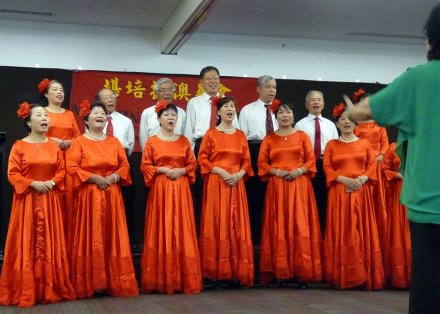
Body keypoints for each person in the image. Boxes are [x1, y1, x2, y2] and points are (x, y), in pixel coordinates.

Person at [345, 4, 440, 311]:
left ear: (430, 40)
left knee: (428, 288)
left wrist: (352, 108)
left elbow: (365, 111)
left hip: (428, 202)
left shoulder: (418, 79)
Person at [0, 103, 75, 307]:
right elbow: (12, 174)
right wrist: (33, 183)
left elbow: (61, 171)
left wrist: (50, 183)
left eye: (46, 116)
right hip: (26, 201)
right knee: (26, 241)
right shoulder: (19, 146)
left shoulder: (53, 145)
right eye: (39, 115)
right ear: (28, 122)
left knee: (50, 242)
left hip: (49, 199)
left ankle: (50, 287)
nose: (44, 119)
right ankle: (26, 288)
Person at [66, 100, 138, 298]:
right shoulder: (79, 142)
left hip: (111, 194)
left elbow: (124, 166)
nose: (99, 116)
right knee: (91, 236)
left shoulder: (114, 142)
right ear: (86, 120)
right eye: (95, 113)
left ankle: (113, 281)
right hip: (88, 196)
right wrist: (95, 178)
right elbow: (72, 167)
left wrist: (113, 177)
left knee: (111, 236)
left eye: (102, 114)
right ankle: (90, 282)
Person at [258, 102, 322, 288]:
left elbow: (311, 159)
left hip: (299, 185)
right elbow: (262, 162)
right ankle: (280, 272)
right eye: (281, 113)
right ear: (275, 118)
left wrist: (300, 171)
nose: (285, 115)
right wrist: (277, 172)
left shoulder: (302, 136)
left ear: (294, 117)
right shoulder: (269, 138)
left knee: (298, 224)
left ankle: (300, 273)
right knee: (279, 225)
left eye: (288, 112)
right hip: (277, 187)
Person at [140, 102, 202, 294]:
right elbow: (145, 166)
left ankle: (182, 277)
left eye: (173, 115)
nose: (170, 118)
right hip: (161, 189)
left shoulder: (184, 141)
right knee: (162, 227)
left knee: (182, 228)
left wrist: (182, 170)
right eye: (166, 115)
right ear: (158, 119)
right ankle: (160, 277)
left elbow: (193, 164)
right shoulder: (152, 141)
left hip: (181, 188)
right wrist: (162, 169)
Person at [322, 104, 384, 291]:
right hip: (339, 192)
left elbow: (372, 165)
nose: (346, 122)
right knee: (340, 229)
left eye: (349, 120)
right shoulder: (332, 144)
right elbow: (327, 167)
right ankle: (340, 275)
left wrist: (362, 179)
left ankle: (363, 275)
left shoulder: (364, 143)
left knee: (360, 229)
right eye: (342, 120)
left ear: (355, 123)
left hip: (361, 190)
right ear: (337, 124)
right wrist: (342, 179)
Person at [198, 96, 254, 288]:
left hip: (236, 183)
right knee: (218, 222)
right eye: (226, 107)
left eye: (232, 106)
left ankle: (236, 272)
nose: (230, 109)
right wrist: (221, 171)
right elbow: (203, 159)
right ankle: (216, 274)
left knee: (236, 224)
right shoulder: (211, 134)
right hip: (217, 182)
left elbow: (247, 160)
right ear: (219, 112)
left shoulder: (240, 135)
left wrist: (239, 174)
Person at [37, 78, 81, 255]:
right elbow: (36, 135)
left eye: (61, 89)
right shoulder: (42, 113)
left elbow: (78, 137)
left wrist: (67, 142)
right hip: (48, 159)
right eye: (55, 89)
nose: (59, 92)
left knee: (68, 201)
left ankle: (66, 247)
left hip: (68, 158)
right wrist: (54, 141)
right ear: (46, 94)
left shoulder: (70, 114)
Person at [239, 75, 278, 245]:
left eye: (274, 87)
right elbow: (242, 136)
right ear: (258, 89)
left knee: (274, 195)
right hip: (254, 149)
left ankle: (274, 236)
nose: (272, 90)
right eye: (268, 87)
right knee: (255, 196)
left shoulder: (279, 109)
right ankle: (254, 238)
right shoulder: (248, 109)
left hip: (276, 152)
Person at [96, 88, 136, 249]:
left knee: (124, 203)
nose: (110, 100)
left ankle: (123, 241)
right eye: (106, 98)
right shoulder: (94, 119)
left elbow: (131, 146)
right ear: (99, 101)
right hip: (98, 163)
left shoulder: (126, 121)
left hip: (121, 162)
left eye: (113, 97)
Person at [295, 91, 338, 233]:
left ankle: (326, 232)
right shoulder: (300, 125)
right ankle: (311, 232)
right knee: (309, 200)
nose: (316, 103)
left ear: (324, 104)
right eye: (313, 100)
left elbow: (336, 148)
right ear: (307, 104)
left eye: (319, 100)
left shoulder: (331, 125)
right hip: (308, 166)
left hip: (326, 165)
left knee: (326, 200)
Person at [353, 88, 389, 253]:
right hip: (362, 164)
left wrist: (380, 156)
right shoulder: (355, 125)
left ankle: (379, 237)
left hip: (378, 164)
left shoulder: (379, 123)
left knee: (378, 199)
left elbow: (385, 144)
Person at [382, 142, 411, 289]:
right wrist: (397, 174)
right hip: (399, 193)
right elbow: (384, 169)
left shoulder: (422, 145)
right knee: (399, 231)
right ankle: (399, 276)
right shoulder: (393, 147)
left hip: (416, 192)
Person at [139, 78, 186, 151]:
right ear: (156, 93)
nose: (167, 93)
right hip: (154, 155)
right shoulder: (147, 113)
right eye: (163, 90)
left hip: (176, 154)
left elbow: (184, 136)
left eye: (170, 90)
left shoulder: (181, 112)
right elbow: (143, 138)